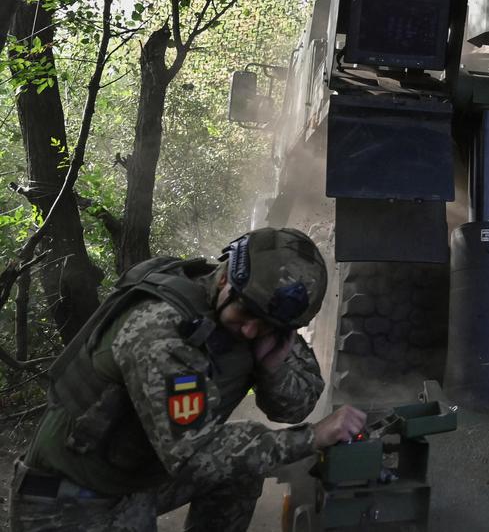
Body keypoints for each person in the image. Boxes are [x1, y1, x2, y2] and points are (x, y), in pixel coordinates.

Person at [9, 227, 366, 532]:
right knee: (231, 457)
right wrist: (312, 438)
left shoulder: (259, 309)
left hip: (137, 483)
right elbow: (195, 454)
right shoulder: (160, 330)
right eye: (246, 315)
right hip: (69, 501)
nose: (250, 330)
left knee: (239, 470)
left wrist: (271, 370)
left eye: (267, 326)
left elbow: (299, 403)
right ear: (225, 277)